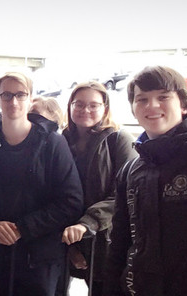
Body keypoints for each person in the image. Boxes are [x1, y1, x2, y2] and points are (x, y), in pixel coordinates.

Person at [0, 72, 84, 296]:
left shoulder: (53, 144)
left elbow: (71, 201)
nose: (13, 102)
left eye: (20, 94)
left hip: (40, 257)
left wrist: (24, 227)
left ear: (30, 98)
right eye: (6, 95)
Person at [105, 66, 187, 295]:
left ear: (183, 105)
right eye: (142, 99)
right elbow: (120, 241)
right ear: (133, 110)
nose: (152, 106)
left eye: (163, 97)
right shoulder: (130, 170)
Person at [59, 82, 137, 295]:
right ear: (70, 106)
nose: (85, 110)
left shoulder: (118, 140)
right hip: (64, 238)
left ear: (105, 108)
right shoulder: (60, 141)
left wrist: (87, 224)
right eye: (79, 104)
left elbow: (125, 193)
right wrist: (71, 244)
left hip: (106, 242)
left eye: (94, 105)